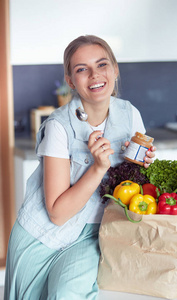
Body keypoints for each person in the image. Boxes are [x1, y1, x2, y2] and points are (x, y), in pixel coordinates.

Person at [4, 35, 156, 300]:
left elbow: (130, 187)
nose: (95, 75)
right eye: (82, 69)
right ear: (71, 81)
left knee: (66, 294)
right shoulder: (58, 126)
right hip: (43, 237)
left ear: (115, 69)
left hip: (94, 233)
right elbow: (58, 215)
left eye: (102, 64)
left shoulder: (130, 114)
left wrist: (141, 168)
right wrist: (97, 168)